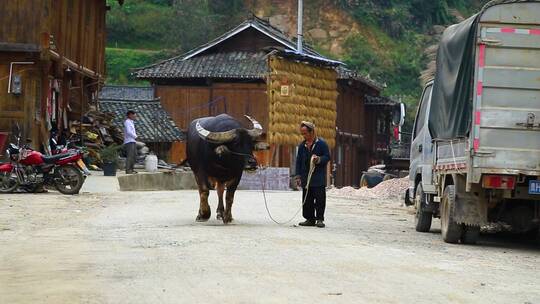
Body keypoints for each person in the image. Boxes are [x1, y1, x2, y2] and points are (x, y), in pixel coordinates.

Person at [294, 121, 330, 228]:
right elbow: (299, 161)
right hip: (306, 177)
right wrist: (298, 176)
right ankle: (309, 219)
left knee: (319, 199)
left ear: (312, 132)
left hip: (318, 178)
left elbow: (327, 157)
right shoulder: (302, 146)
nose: (304, 136)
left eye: (305, 133)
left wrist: (319, 159)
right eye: (302, 134)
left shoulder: (321, 144)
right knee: (307, 199)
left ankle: (319, 219)